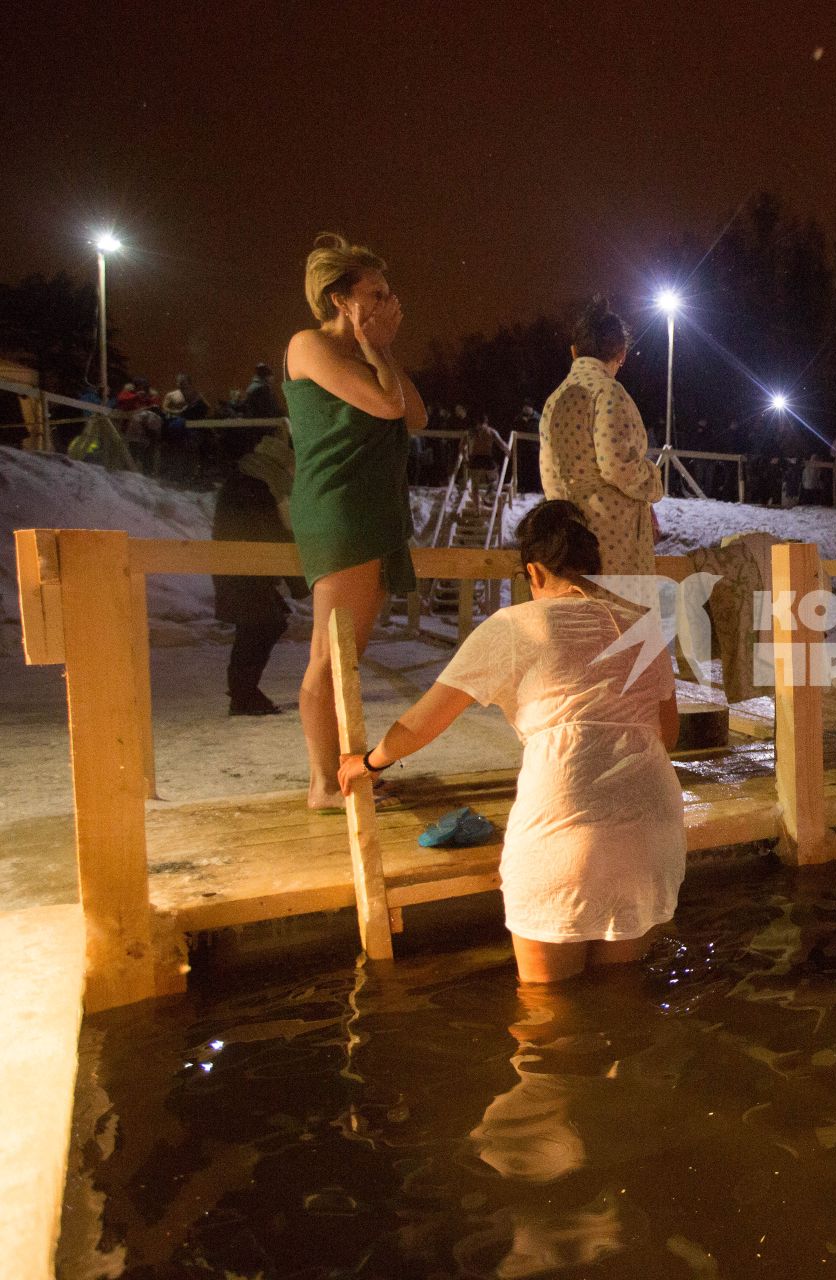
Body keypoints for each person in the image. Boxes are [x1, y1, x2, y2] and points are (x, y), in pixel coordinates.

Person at [339, 502, 684, 984]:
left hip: (565, 828)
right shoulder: (644, 627)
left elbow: (423, 723)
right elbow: (666, 734)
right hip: (652, 826)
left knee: (546, 1016)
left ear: (534, 571)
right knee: (619, 997)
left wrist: (370, 763)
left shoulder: (517, 625)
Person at [285, 232, 428, 810]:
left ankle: (348, 770)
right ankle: (323, 782)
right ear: (340, 299)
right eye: (375, 292)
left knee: (350, 657)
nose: (388, 302)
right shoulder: (309, 345)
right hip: (338, 509)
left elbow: (414, 415)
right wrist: (373, 350)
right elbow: (388, 406)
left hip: (375, 511)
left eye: (389, 291)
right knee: (329, 654)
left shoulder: (371, 356)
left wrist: (381, 349)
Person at [537, 297, 664, 575]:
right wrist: (654, 482)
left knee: (579, 618)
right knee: (621, 618)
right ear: (621, 354)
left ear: (574, 352)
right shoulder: (608, 393)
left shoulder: (555, 399)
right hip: (613, 543)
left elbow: (549, 475)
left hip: (569, 542)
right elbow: (617, 466)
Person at [211, 428, 305, 715]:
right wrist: (297, 580)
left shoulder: (249, 482)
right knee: (261, 626)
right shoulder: (256, 488)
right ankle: (243, 694)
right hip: (245, 570)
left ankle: (243, 691)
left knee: (260, 626)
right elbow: (273, 536)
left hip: (243, 569)